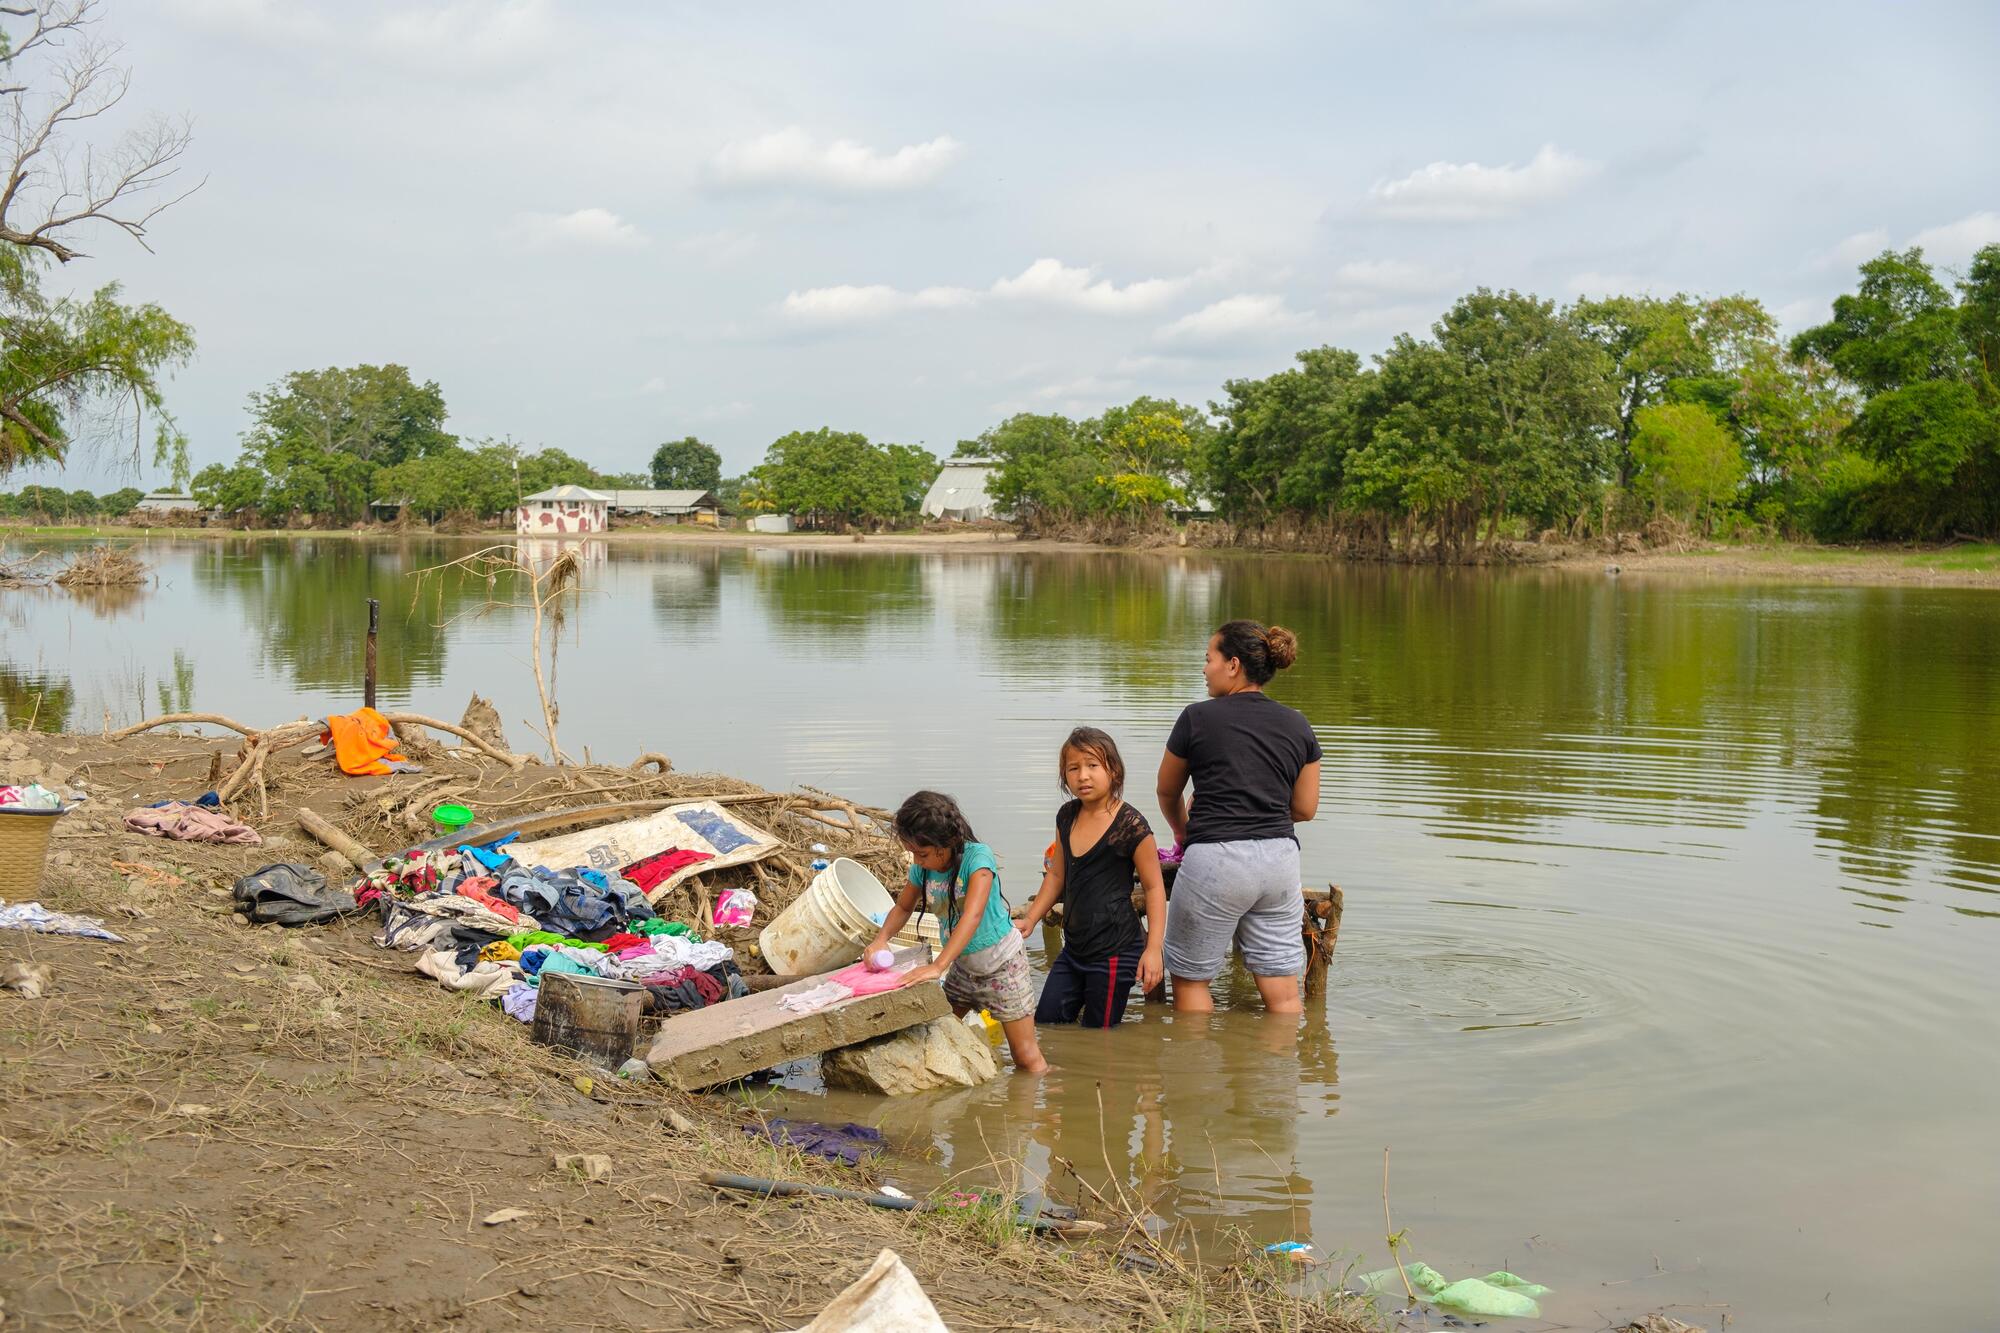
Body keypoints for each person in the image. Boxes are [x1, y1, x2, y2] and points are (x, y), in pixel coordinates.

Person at [1155, 620, 1321, 1014]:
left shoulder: (1197, 718)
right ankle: (1279, 1073)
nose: (1203, 668)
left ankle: (1197, 1071)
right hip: (1280, 863)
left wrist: (1184, 834)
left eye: (1207, 658)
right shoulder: (1298, 724)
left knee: (1192, 982)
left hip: (1216, 859)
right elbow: (1305, 808)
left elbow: (1167, 790)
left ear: (1232, 665)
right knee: (1282, 993)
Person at [866, 790, 1048, 1073]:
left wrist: (938, 966)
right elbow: (903, 907)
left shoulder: (978, 860)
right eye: (913, 853)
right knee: (939, 1036)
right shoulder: (923, 869)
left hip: (1003, 967)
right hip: (962, 967)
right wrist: (880, 941)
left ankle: (1042, 1106)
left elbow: (972, 917)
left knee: (1025, 1057)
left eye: (922, 853)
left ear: (947, 843)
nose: (917, 861)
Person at [1017, 727, 1168, 1028]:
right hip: (1074, 948)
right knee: (1046, 1022)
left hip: (1115, 951)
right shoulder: (1067, 815)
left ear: (1113, 770)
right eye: (1073, 768)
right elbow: (1057, 874)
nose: (1083, 776)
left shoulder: (1131, 825)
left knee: (1100, 1034)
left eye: (1092, 765)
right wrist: (1031, 919)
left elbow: (1153, 888)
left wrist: (1153, 950)